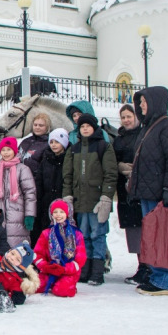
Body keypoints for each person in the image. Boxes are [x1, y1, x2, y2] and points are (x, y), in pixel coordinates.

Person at [128, 86, 168, 296]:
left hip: (160, 193)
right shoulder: (149, 127)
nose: (141, 106)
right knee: (153, 236)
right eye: (140, 102)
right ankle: (156, 276)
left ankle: (164, 279)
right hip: (148, 192)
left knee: (162, 237)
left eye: (144, 102)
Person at [62, 113, 117, 286]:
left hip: (96, 200)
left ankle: (97, 270)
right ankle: (85, 268)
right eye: (82, 127)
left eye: (88, 126)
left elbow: (110, 173)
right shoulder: (74, 148)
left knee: (98, 234)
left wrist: (106, 198)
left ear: (94, 128)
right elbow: (68, 175)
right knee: (82, 235)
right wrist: (68, 196)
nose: (85, 129)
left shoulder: (103, 147)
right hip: (79, 201)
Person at [112, 104, 147, 285]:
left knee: (145, 228)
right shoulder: (118, 139)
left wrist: (136, 169)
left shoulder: (144, 135)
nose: (126, 120)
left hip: (142, 187)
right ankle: (141, 265)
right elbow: (112, 160)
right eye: (123, 117)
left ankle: (148, 266)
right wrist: (120, 167)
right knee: (134, 230)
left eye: (129, 116)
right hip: (125, 190)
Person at [0, 137, 37, 248]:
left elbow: (30, 193)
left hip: (18, 216)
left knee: (17, 249)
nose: (6, 153)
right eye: (3, 150)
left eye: (9, 150)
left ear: (14, 151)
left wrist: (29, 214)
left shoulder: (23, 169)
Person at [33, 199, 86, 297]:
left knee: (61, 290)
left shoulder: (76, 234)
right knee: (34, 286)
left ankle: (66, 284)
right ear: (51, 214)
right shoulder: (46, 233)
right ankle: (53, 281)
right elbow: (37, 254)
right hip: (50, 269)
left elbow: (81, 258)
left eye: (62, 212)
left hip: (68, 271)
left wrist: (64, 269)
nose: (58, 215)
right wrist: (46, 266)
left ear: (67, 213)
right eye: (55, 212)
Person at [0, 241, 40, 312]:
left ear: (21, 266)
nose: (12, 258)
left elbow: (18, 298)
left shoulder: (14, 279)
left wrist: (1, 295)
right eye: (12, 253)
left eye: (17, 259)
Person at [18, 114, 51, 244]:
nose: (37, 127)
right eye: (35, 124)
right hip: (20, 187)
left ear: (47, 127)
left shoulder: (47, 144)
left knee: (35, 222)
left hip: (35, 187)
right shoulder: (25, 142)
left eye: (41, 125)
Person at [35, 128, 69, 239]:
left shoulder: (69, 159)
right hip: (47, 202)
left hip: (63, 201)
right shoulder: (46, 160)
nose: (54, 145)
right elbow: (39, 181)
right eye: (51, 142)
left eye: (57, 142)